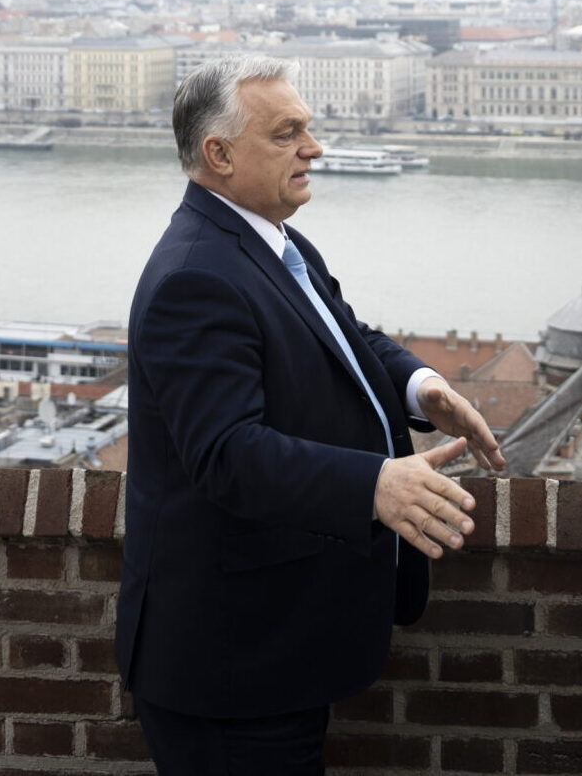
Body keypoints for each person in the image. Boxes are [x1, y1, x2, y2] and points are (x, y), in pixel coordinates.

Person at [118, 55, 506, 775]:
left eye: (309, 127)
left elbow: (346, 337)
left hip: (270, 652)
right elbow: (227, 453)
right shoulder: (194, 276)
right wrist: (374, 485)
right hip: (229, 669)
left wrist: (421, 388)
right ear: (220, 153)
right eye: (288, 132)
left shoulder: (271, 240)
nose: (315, 146)